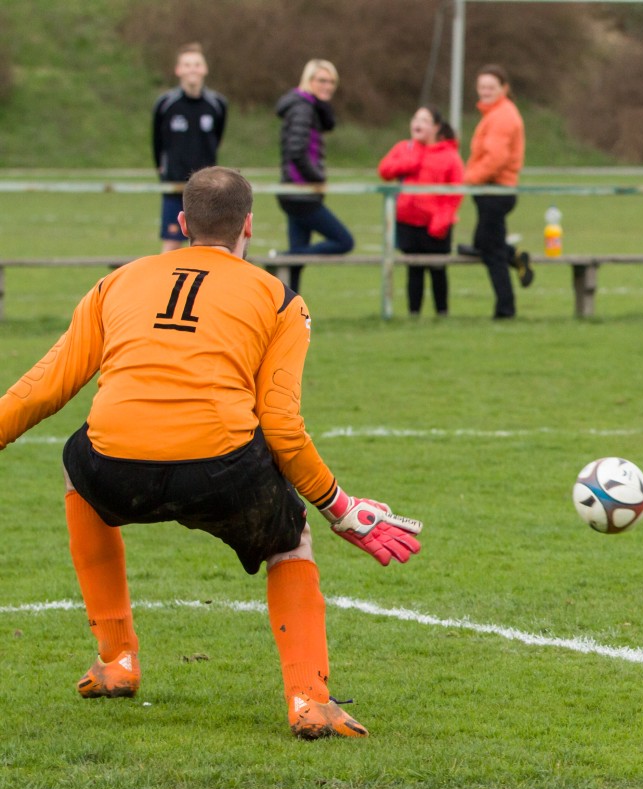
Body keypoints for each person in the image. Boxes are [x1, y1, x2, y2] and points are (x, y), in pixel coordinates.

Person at [0, 167, 422, 738]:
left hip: (117, 466)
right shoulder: (280, 299)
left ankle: (117, 660)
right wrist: (339, 506)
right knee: (291, 538)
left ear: (181, 224)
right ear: (248, 226)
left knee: (79, 471)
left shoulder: (116, 282)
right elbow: (281, 426)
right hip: (220, 470)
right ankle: (309, 699)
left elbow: (42, 388)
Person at [274, 59, 354, 294]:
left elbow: (326, 126)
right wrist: (317, 178)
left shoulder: (310, 107)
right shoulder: (302, 108)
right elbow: (296, 152)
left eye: (331, 82)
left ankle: (289, 307)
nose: (327, 86)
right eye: (322, 80)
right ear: (308, 80)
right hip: (300, 193)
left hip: (298, 193)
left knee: (296, 265)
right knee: (344, 241)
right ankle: (282, 257)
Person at [378, 106, 465, 317]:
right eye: (416, 119)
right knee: (413, 269)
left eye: (425, 120)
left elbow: (455, 192)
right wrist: (409, 162)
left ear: (436, 127)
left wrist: (442, 220)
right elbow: (385, 170)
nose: (418, 124)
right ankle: (413, 314)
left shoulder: (449, 155)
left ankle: (442, 313)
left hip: (436, 224)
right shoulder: (404, 148)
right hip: (408, 222)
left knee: (437, 269)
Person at [463, 64, 533, 319]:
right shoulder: (495, 114)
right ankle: (516, 257)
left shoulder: (502, 116)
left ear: (504, 88)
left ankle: (505, 309)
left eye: (491, 87)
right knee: (483, 244)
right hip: (491, 191)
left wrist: (468, 179)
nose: (485, 91)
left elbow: (496, 159)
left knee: (490, 251)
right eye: (481, 87)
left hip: (496, 191)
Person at [151, 43, 227, 253]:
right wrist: (163, 169)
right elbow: (157, 142)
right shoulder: (166, 104)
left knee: (211, 246)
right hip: (175, 184)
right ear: (178, 70)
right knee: (171, 246)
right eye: (187, 64)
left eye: (196, 64)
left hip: (206, 187)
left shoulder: (217, 104)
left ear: (204, 69)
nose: (192, 69)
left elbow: (217, 138)